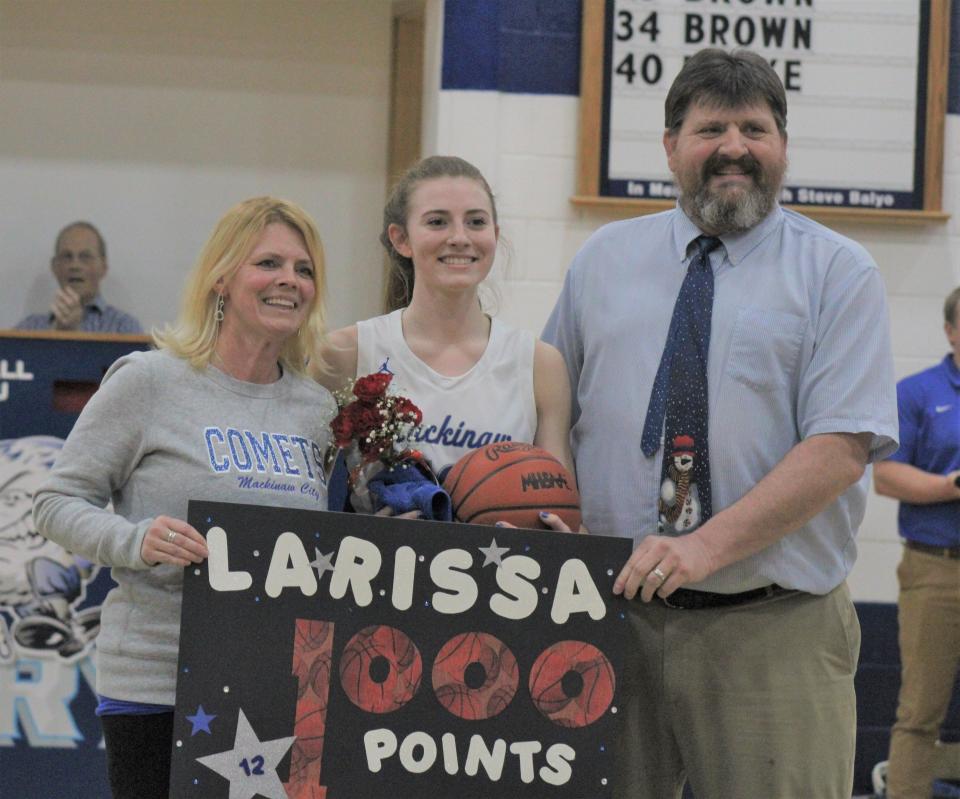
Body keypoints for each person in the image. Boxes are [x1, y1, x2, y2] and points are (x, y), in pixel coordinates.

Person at [542, 48, 898, 798]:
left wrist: (701, 547)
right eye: (710, 128)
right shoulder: (602, 261)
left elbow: (839, 448)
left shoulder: (838, 272)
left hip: (775, 629)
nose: (734, 147)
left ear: (782, 147)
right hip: (612, 621)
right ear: (671, 146)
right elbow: (553, 411)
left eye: (755, 128)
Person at [33, 197, 337, 798]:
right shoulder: (151, 381)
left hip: (279, 690)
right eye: (268, 263)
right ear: (222, 276)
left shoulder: (317, 410)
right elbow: (56, 500)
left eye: (303, 270)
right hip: (159, 686)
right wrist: (135, 540)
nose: (288, 281)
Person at [317, 155, 573, 499]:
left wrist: (553, 527)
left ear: (494, 236)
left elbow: (563, 507)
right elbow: (309, 495)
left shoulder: (539, 365)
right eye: (437, 222)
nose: (459, 237)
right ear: (401, 239)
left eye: (476, 222)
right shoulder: (345, 353)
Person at [873, 287, 960, 799]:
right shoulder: (917, 393)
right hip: (937, 571)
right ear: (950, 331)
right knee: (920, 711)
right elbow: (885, 476)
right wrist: (950, 486)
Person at [16, 221, 143, 332]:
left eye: (85, 256)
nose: (75, 265)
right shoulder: (28, 327)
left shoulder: (124, 327)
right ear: (54, 267)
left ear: (103, 267)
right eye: (67, 256)